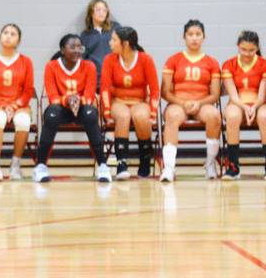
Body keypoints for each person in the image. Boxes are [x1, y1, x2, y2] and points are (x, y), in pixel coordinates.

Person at [34, 34, 111, 183]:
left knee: (91, 114)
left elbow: (89, 95)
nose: (77, 51)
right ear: (62, 50)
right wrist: (67, 100)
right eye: (72, 47)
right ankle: (40, 166)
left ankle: (102, 165)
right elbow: (52, 97)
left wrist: (78, 100)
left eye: (80, 47)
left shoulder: (89, 66)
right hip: (61, 108)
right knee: (51, 115)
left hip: (81, 107)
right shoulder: (52, 66)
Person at [160, 19, 222, 182]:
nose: (194, 38)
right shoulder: (174, 59)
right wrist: (182, 103)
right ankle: (169, 167)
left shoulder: (212, 62)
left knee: (215, 116)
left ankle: (210, 163)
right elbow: (164, 91)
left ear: (204, 38)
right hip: (178, 103)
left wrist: (199, 104)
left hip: (202, 103)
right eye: (190, 35)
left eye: (198, 34)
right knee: (172, 117)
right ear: (184, 37)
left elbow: (215, 94)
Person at [100, 26, 159, 180]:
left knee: (140, 116)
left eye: (114, 40)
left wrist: (152, 112)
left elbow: (154, 90)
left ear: (125, 44)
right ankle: (121, 163)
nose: (110, 43)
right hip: (118, 101)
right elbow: (105, 89)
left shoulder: (145, 59)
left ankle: (145, 159)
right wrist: (107, 112)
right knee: (124, 115)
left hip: (140, 101)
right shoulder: (109, 60)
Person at [0, 23, 34, 181]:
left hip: (20, 105)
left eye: (13, 34)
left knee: (23, 121)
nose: (8, 36)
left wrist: (15, 106)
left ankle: (15, 165)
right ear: (0, 37)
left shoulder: (26, 61)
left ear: (18, 41)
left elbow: (28, 91)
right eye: (5, 32)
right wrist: (3, 106)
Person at [220, 31, 266, 180]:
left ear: (257, 48)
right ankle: (233, 167)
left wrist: (254, 107)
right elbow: (232, 94)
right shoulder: (229, 64)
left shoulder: (265, 64)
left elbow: (263, 93)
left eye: (251, 50)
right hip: (237, 103)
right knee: (231, 116)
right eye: (244, 49)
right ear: (238, 46)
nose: (247, 53)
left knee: (264, 116)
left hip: (260, 103)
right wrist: (245, 108)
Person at [80, 0, 117, 82]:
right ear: (91, 12)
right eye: (98, 10)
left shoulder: (115, 27)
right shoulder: (85, 35)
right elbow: (84, 58)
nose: (102, 13)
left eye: (104, 10)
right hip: (96, 80)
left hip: (115, 78)